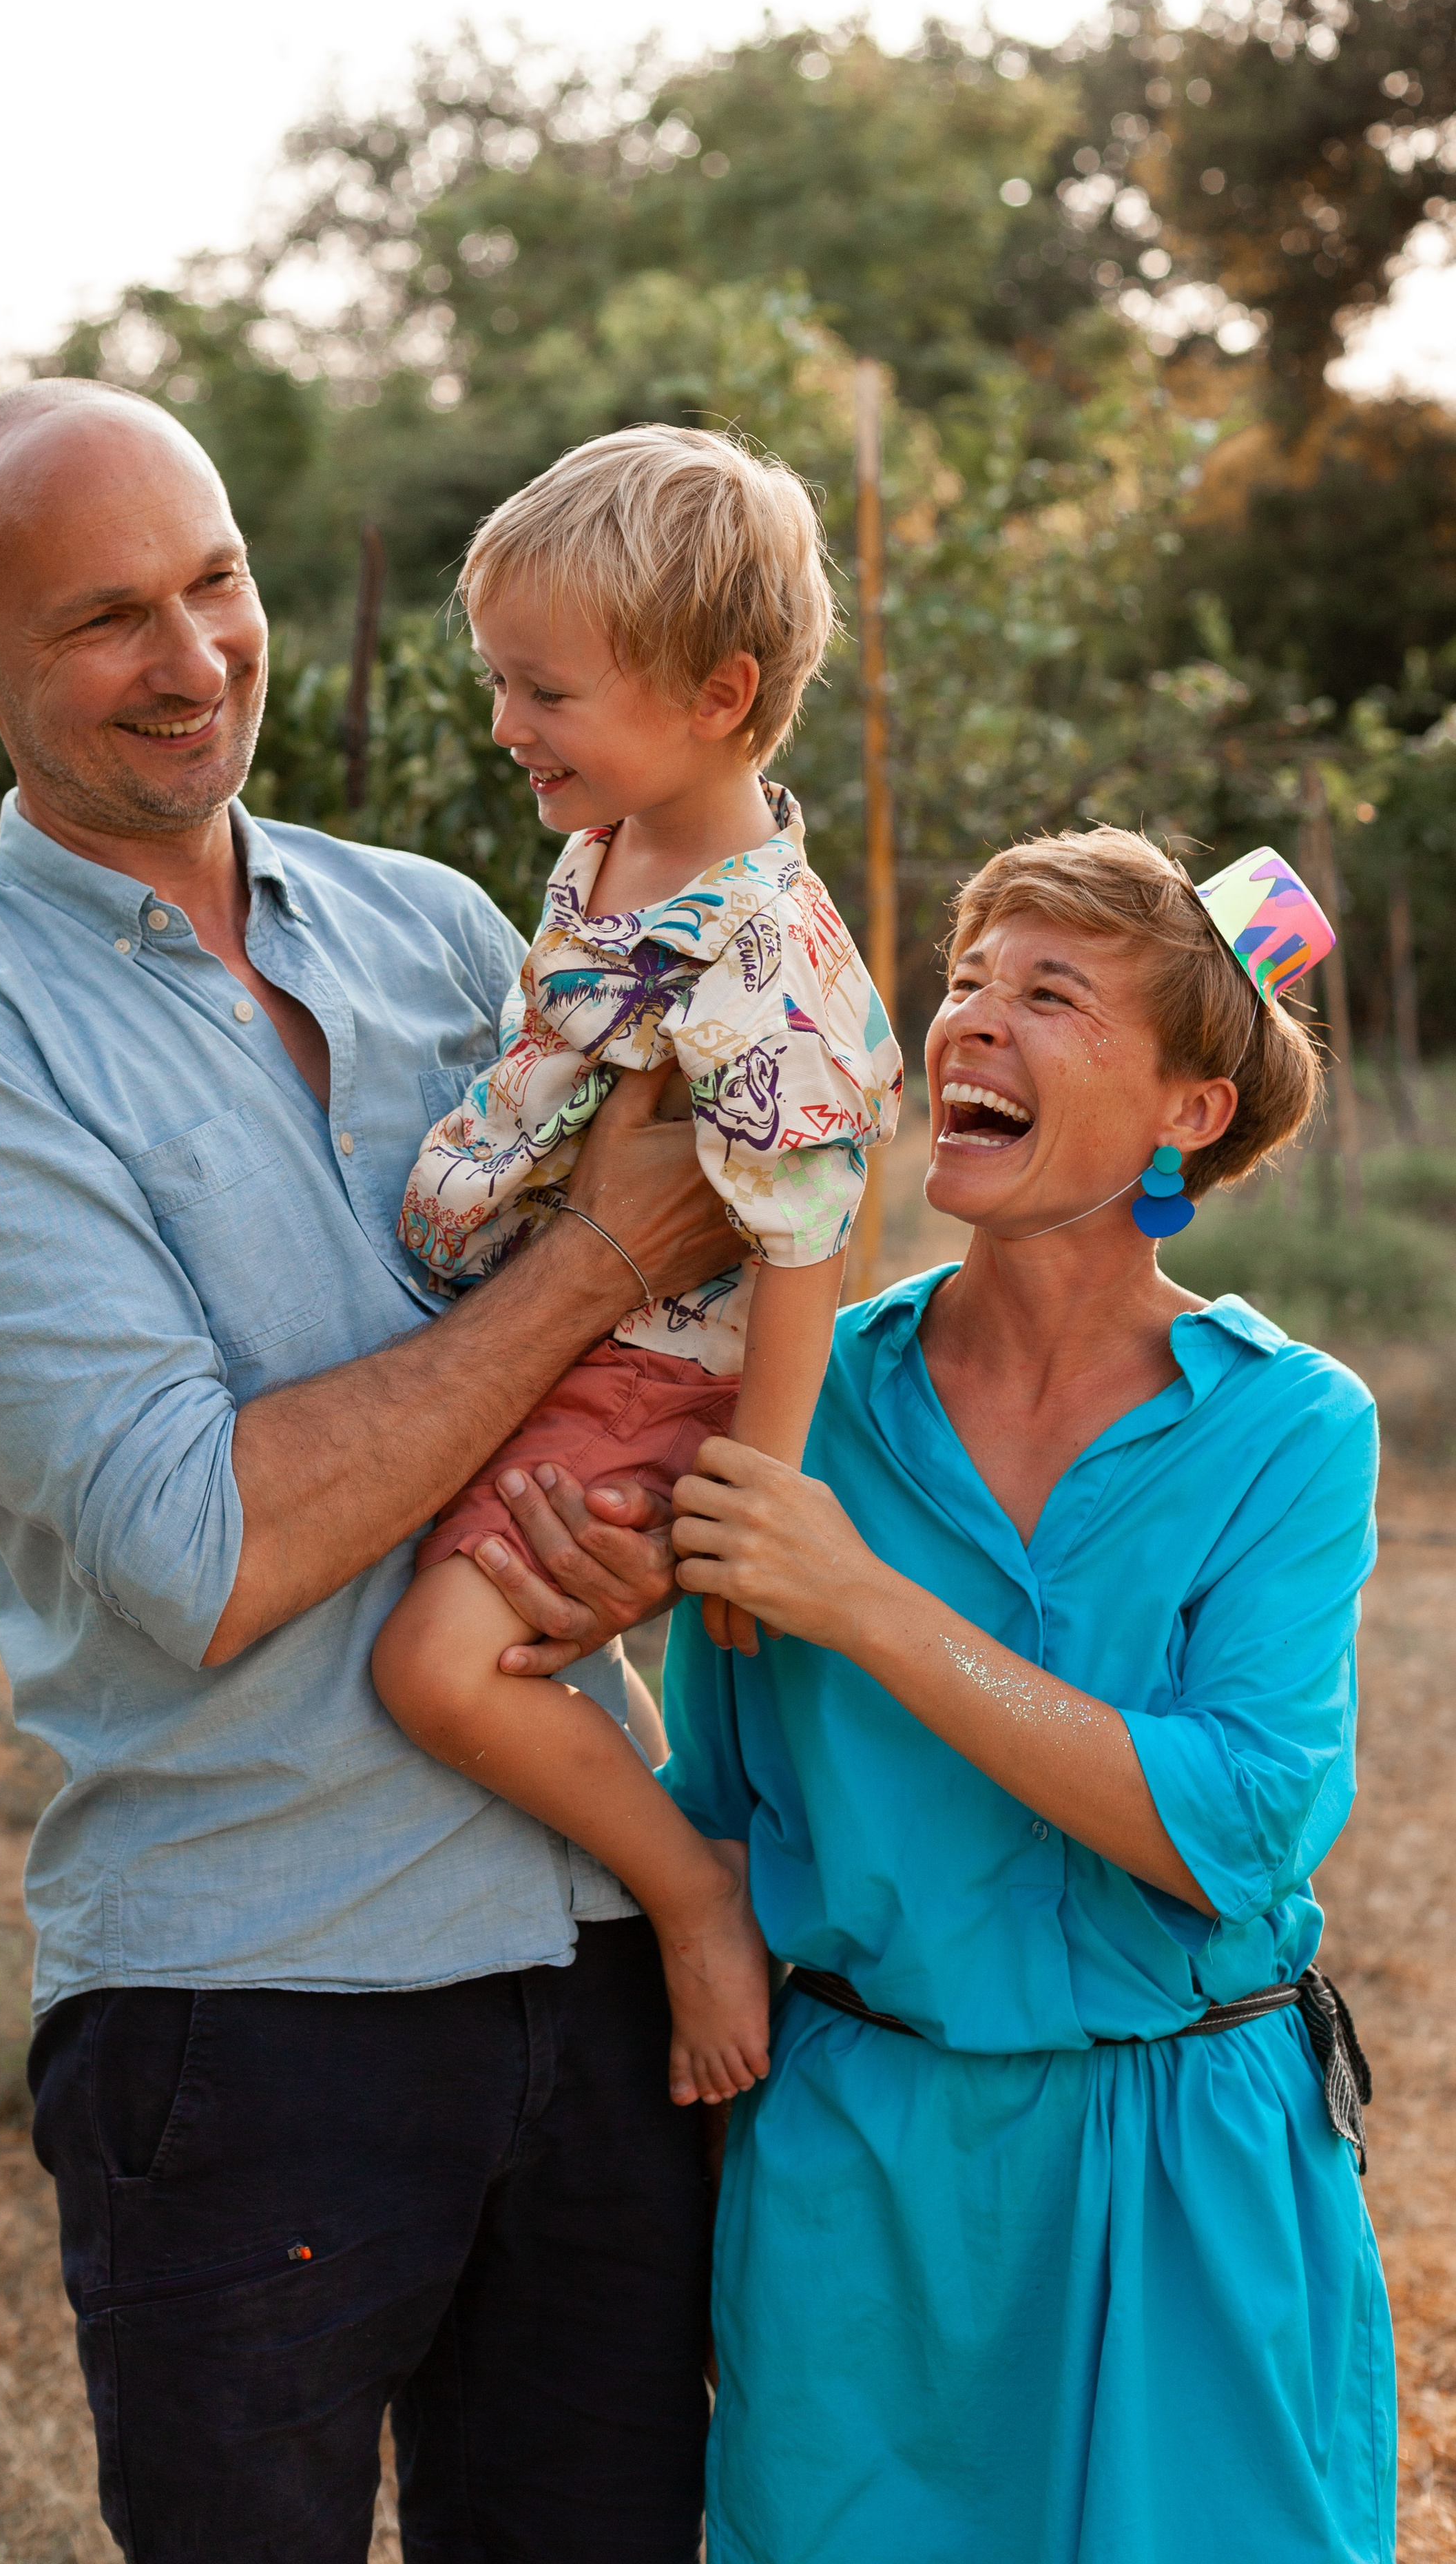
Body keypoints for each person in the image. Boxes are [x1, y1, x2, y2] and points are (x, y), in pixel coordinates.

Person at [0, 378, 732, 2564]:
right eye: (106, 619)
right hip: (253, 2015)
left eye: (217, 581)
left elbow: (676, 1333)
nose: (196, 655)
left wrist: (636, 1548)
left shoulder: (435, 923)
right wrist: (598, 1253)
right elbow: (201, 1545)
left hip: (596, 1956)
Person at [658, 827, 1395, 2563]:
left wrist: (866, 1602)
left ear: (1184, 1113)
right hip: (860, 2175)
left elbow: (1232, 1821)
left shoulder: (1291, 1431)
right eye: (965, 982)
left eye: (1047, 994)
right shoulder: (800, 1400)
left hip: (1194, 2167)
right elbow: (719, 1795)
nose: (967, 1023)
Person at [371, 428, 902, 2109]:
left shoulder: (762, 951)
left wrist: (757, 1498)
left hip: (655, 1370)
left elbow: (808, 1236)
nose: (507, 725)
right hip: (575, 1335)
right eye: (500, 683)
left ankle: (692, 1894)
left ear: (716, 693)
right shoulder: (610, 845)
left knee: (434, 1668)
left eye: (545, 693)